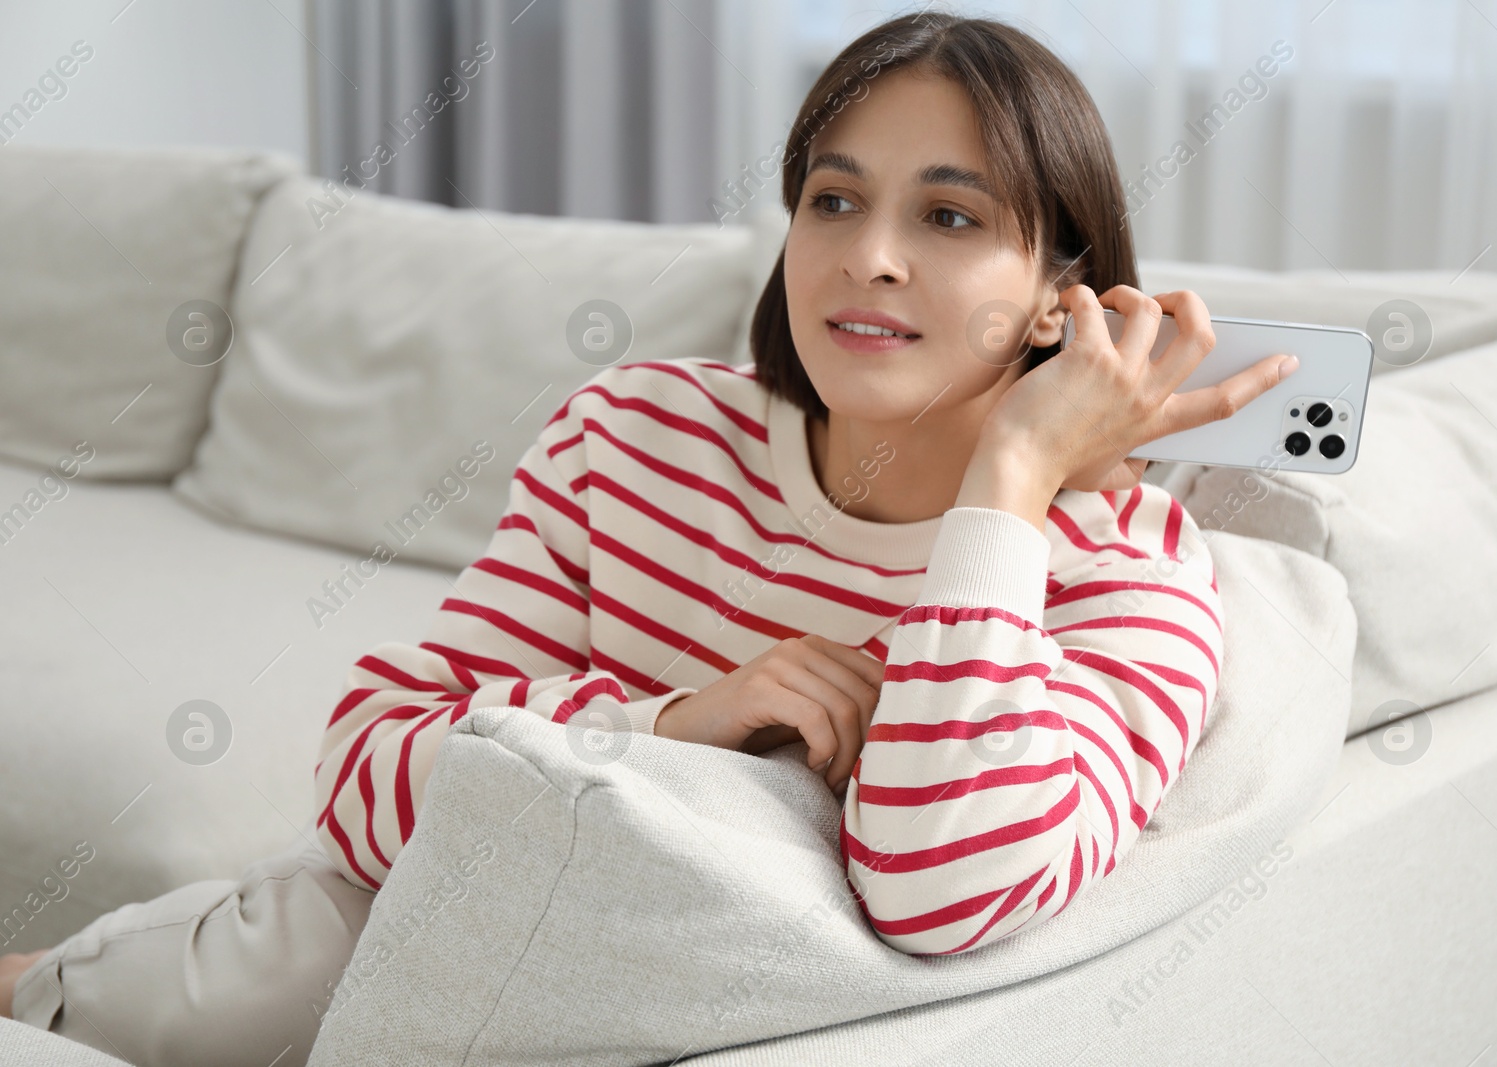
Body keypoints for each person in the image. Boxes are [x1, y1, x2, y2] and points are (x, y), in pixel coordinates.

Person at [1, 10, 1295, 1065]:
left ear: (1060, 304)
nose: (871, 258)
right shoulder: (633, 438)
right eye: (834, 201)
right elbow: (362, 776)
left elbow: (943, 891)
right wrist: (678, 723)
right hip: (290, 972)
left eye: (949, 219)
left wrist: (1012, 482)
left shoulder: (1128, 580)